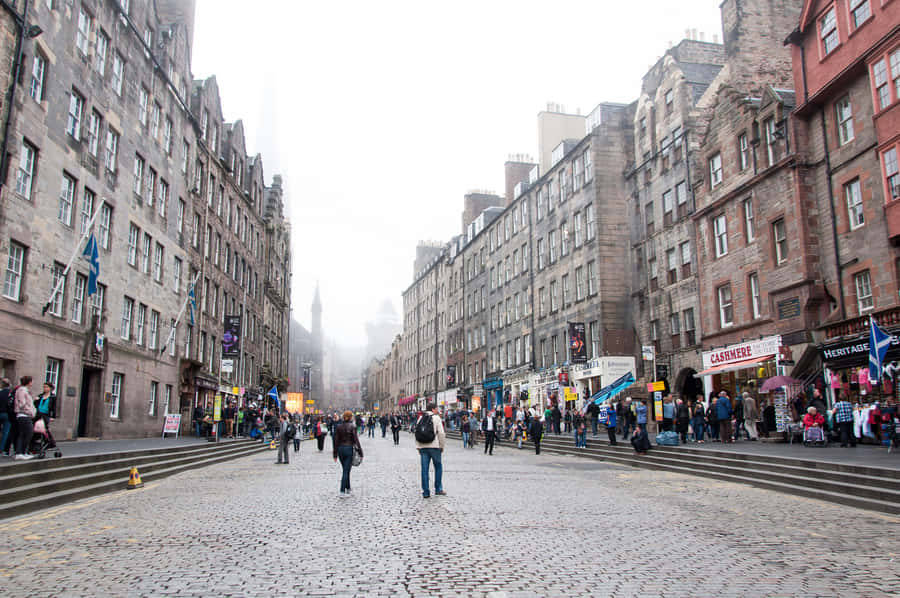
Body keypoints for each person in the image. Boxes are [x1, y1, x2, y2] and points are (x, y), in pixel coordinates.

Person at [415, 403, 445, 498]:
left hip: (423, 446)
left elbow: (417, 432)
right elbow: (441, 433)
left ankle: (426, 492)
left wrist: (418, 446)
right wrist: (441, 445)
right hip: (434, 446)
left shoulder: (420, 418)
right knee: (438, 467)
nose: (437, 410)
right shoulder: (436, 418)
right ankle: (438, 489)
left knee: (424, 469)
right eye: (436, 409)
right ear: (433, 409)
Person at [333, 410, 363, 497]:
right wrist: (360, 452)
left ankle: (348, 488)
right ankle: (342, 490)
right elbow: (356, 440)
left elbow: (336, 441)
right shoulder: (352, 426)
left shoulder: (339, 427)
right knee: (346, 471)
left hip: (340, 449)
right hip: (348, 449)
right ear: (350, 417)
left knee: (346, 469)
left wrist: (335, 454)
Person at [14, 376, 35, 460]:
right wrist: (29, 410)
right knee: (28, 433)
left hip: (24, 415)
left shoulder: (23, 390)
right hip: (24, 415)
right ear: (29, 382)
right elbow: (22, 403)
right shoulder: (22, 390)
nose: (32, 383)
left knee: (23, 434)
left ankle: (21, 452)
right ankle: (21, 452)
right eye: (32, 381)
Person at [33, 382, 57, 449]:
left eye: (46, 387)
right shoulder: (40, 395)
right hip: (38, 414)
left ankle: (50, 442)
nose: (45, 388)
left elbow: (54, 407)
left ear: (50, 388)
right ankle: (36, 443)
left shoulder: (52, 396)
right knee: (36, 428)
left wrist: (53, 416)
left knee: (44, 429)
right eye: (44, 387)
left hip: (46, 414)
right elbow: (35, 405)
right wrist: (35, 400)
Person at [0, 378, 12, 457]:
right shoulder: (10, 393)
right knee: (6, 432)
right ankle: (2, 448)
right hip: (7, 414)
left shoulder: (0, 392)